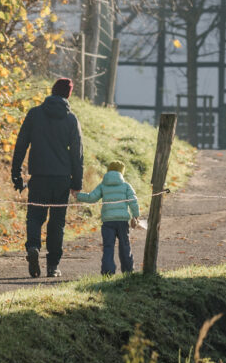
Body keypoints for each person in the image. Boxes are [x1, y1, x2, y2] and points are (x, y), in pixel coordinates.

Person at [11, 77, 84, 278]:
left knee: (35, 217)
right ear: (68, 95)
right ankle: (53, 266)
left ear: (52, 91)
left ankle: (33, 247)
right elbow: (77, 154)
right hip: (62, 179)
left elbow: (21, 144)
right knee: (57, 223)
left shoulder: (35, 114)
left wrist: (16, 174)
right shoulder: (71, 119)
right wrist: (76, 183)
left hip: (39, 177)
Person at [74, 160, 140, 276]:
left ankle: (108, 272)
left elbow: (91, 198)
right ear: (121, 173)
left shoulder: (103, 185)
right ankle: (128, 271)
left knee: (108, 247)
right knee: (125, 246)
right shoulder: (126, 186)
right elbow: (133, 201)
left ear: (109, 171)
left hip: (108, 222)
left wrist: (78, 195)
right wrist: (135, 216)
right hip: (122, 222)